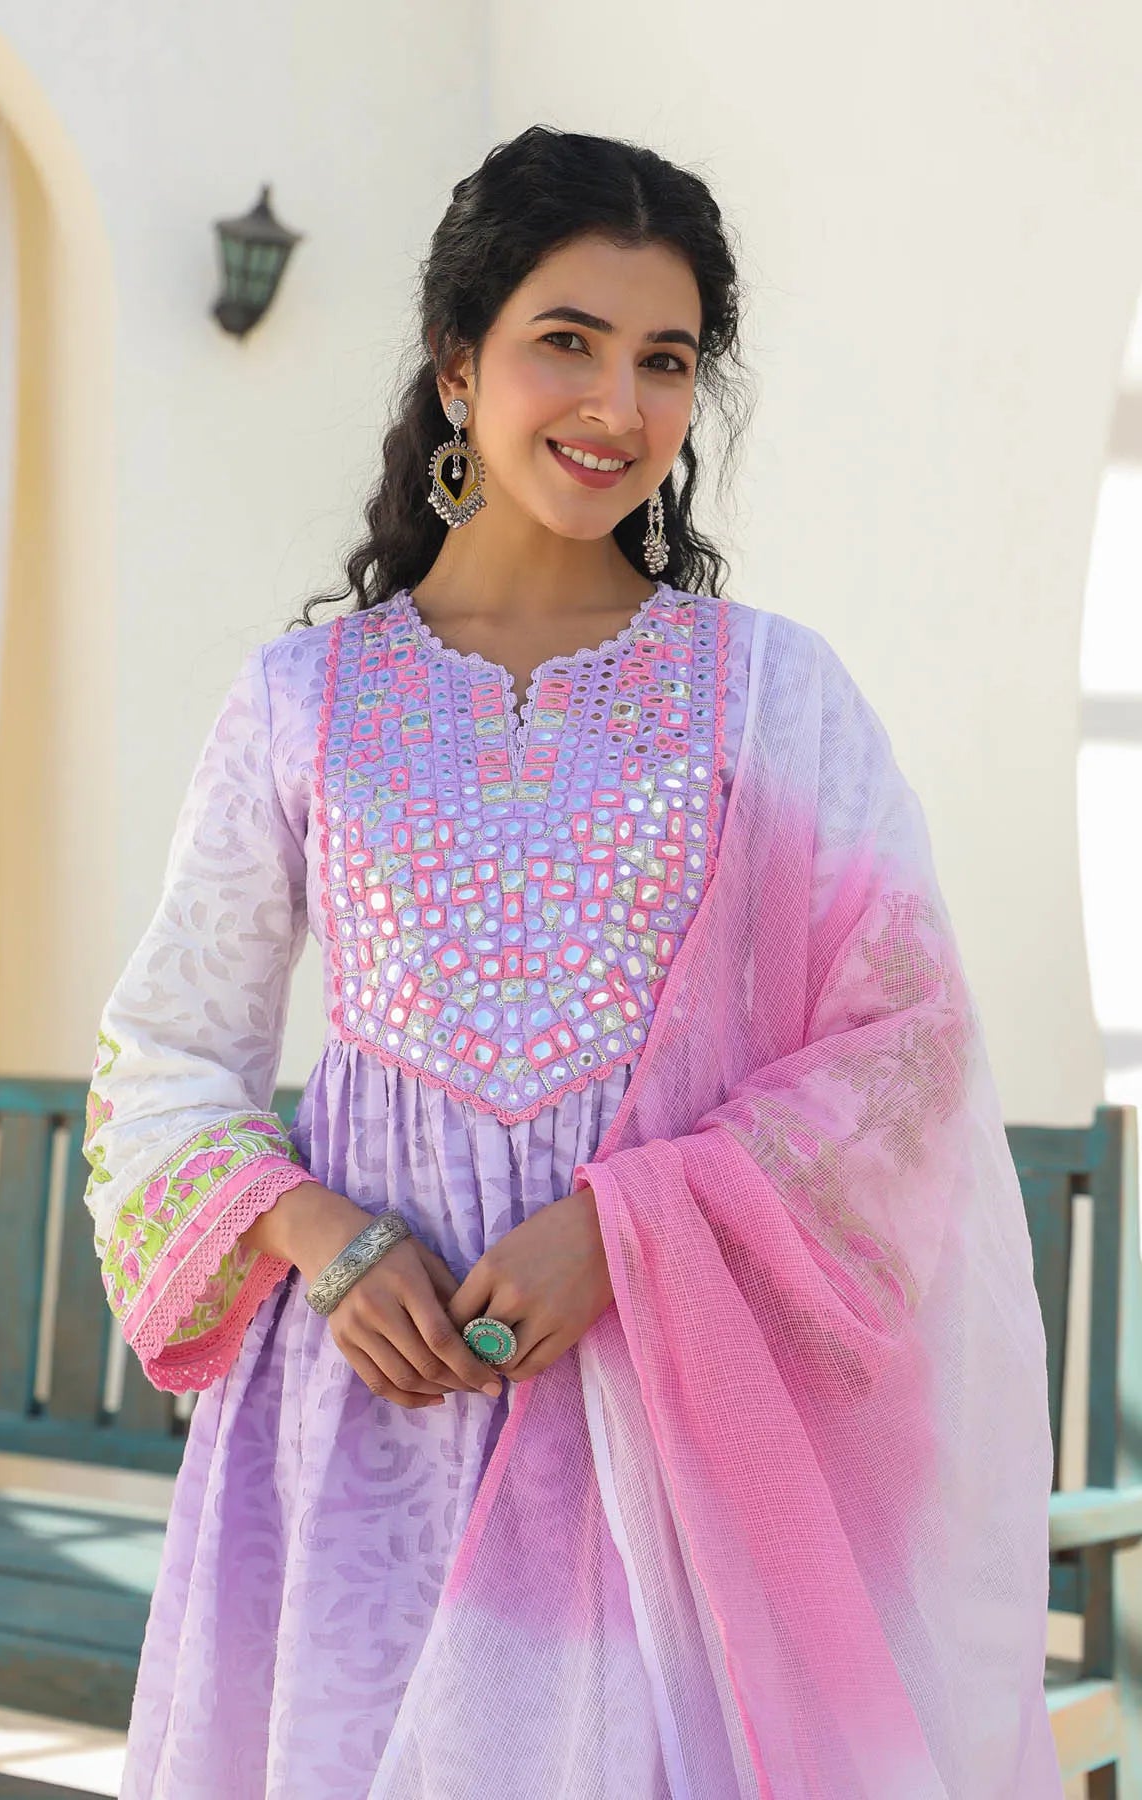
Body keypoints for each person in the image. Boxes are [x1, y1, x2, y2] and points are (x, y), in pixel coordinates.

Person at [83, 124, 1062, 1798]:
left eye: (665, 360)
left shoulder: (772, 698)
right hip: (363, 1427)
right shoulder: (300, 704)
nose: (618, 403)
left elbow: (903, 1046)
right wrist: (322, 1238)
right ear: (459, 364)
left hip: (665, 1433)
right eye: (569, 342)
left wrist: (625, 1233)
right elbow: (161, 1060)